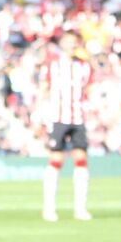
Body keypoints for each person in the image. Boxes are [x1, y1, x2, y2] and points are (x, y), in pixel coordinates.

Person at [40, 32, 93, 222]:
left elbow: (89, 90)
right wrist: (40, 114)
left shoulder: (84, 66)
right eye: (68, 42)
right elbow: (43, 89)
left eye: (74, 42)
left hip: (78, 118)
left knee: (81, 160)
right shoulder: (52, 65)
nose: (72, 45)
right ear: (61, 44)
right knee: (56, 160)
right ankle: (49, 208)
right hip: (58, 117)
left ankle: (80, 209)